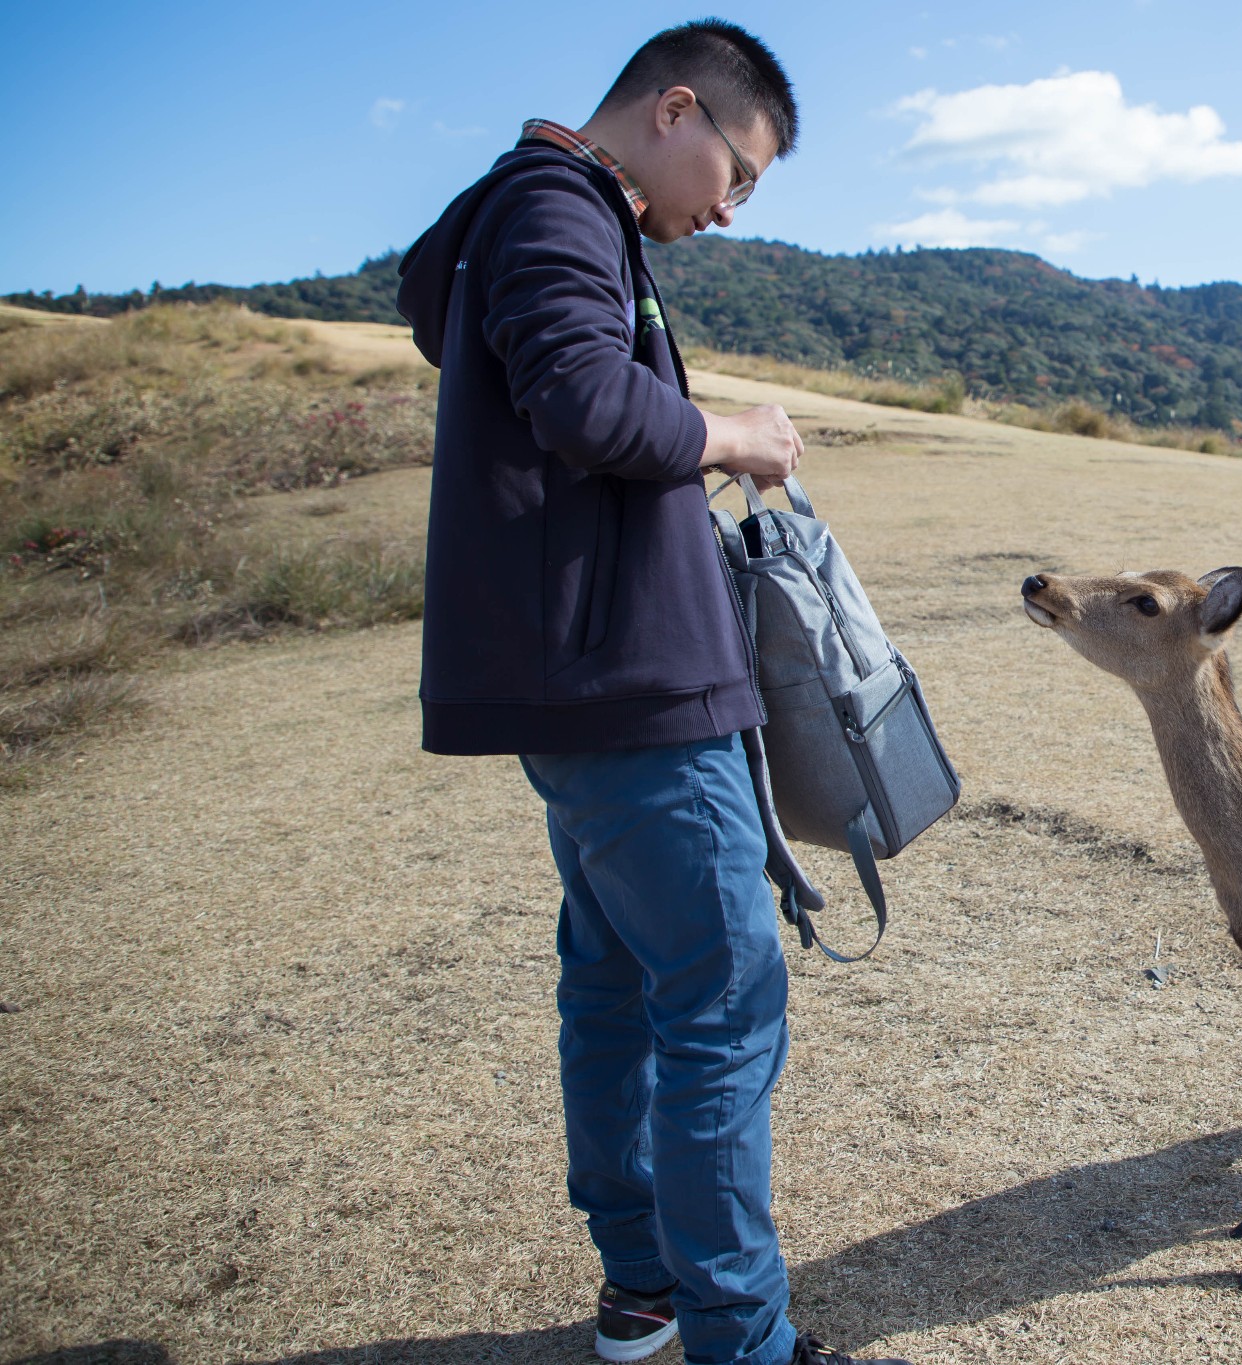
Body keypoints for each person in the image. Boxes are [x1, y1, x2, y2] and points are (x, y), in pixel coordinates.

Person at [396, 22, 907, 1365]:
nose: (729, 211)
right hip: (627, 691)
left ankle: (643, 1288)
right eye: (735, 173)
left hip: (588, 685)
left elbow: (559, 397)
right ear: (675, 108)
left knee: (617, 987)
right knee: (722, 1004)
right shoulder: (557, 208)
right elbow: (575, 394)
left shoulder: (540, 212)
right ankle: (741, 1339)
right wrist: (733, 434)